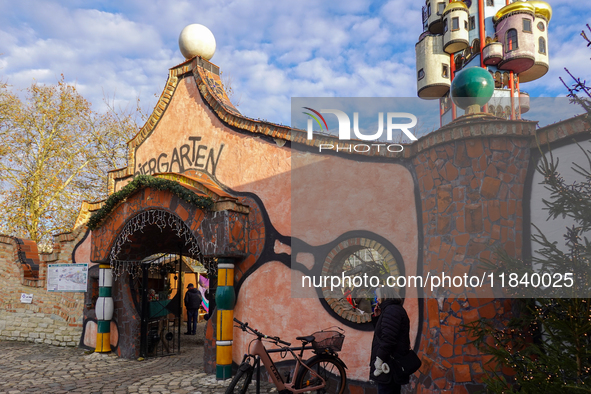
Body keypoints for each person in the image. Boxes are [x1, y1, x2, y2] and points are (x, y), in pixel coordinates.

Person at [369, 287, 410, 394]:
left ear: (385, 295)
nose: (377, 299)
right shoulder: (391, 310)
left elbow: (388, 339)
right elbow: (383, 332)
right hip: (390, 365)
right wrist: (377, 317)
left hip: (387, 366)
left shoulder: (392, 311)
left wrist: (379, 359)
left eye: (378, 296)